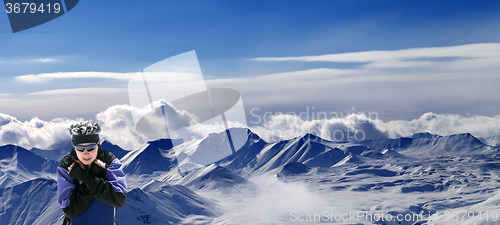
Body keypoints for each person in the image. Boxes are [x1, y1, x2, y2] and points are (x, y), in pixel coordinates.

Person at [57, 120, 127, 225]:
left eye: (91, 148)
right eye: (80, 148)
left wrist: (86, 178)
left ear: (98, 143)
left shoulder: (109, 161)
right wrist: (95, 177)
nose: (86, 154)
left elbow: (119, 200)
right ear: (73, 145)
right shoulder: (67, 165)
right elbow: (70, 210)